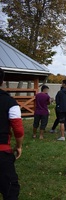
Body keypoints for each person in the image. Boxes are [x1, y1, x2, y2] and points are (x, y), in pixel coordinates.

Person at [0, 68, 24, 199]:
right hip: (2, 153)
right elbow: (18, 129)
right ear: (2, 81)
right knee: (10, 190)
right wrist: (19, 146)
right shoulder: (10, 102)